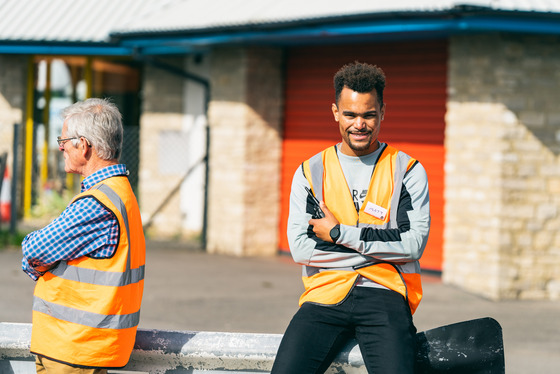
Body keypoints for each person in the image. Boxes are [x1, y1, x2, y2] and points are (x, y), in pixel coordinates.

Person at [271, 62, 430, 373]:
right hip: (324, 295)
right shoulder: (310, 172)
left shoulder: (408, 170)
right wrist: (380, 254)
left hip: (385, 296)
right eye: (350, 115)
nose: (360, 124)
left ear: (383, 111)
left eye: (369, 115)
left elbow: (413, 245)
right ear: (335, 112)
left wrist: (338, 233)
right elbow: (301, 250)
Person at [21, 98, 146, 374]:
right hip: (86, 348)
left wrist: (40, 262)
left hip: (72, 348)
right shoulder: (120, 193)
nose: (60, 147)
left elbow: (34, 250)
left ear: (84, 145)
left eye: (64, 140)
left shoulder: (96, 203)